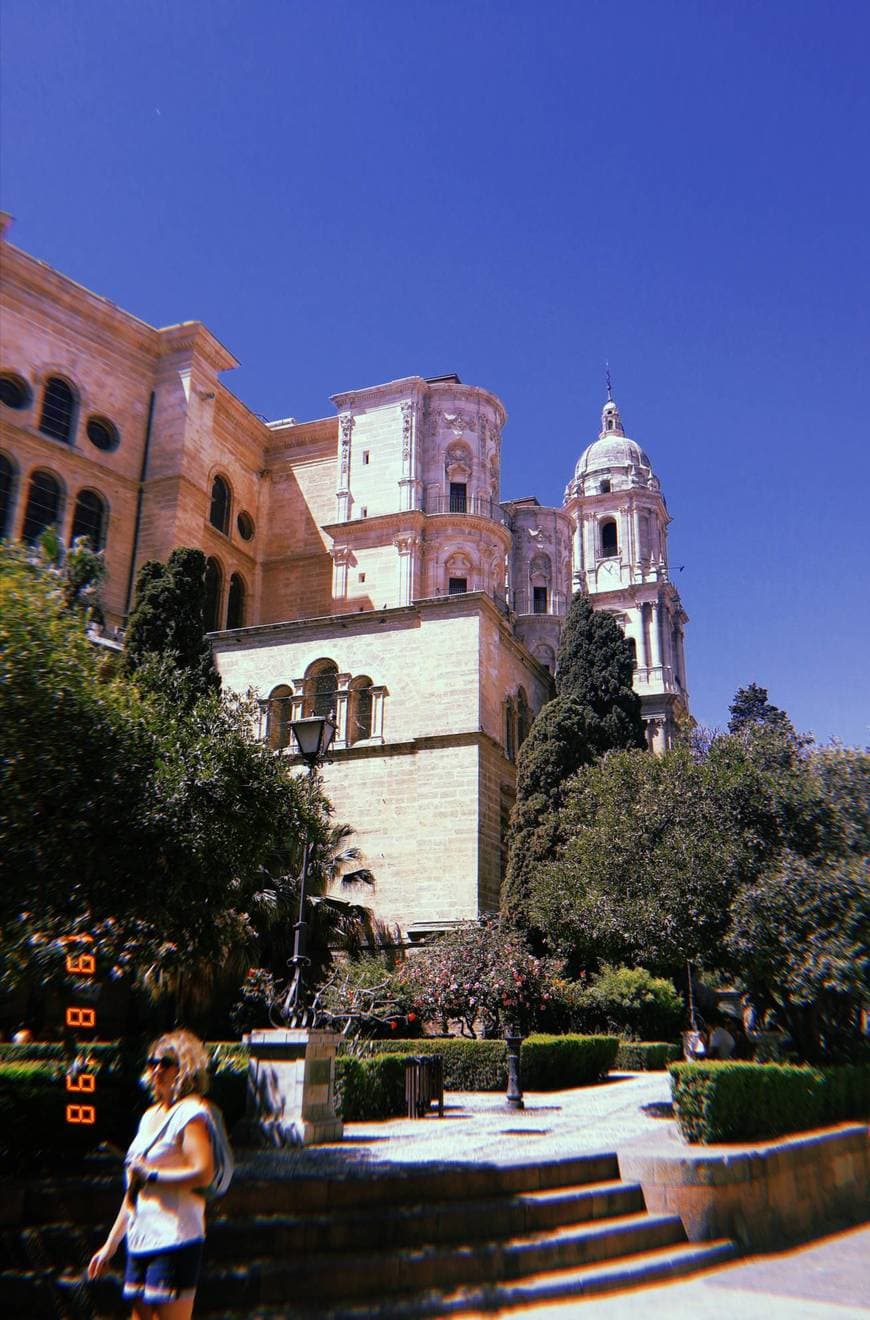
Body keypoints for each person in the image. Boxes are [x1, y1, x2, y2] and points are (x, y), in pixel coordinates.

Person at [87, 1030, 215, 1319]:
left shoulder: (191, 1112)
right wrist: (111, 1244)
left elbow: (203, 1173)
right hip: (141, 1239)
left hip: (175, 1239)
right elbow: (134, 1188)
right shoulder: (149, 1116)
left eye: (166, 1062)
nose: (157, 1068)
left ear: (184, 1067)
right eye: (152, 1062)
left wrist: (154, 1175)